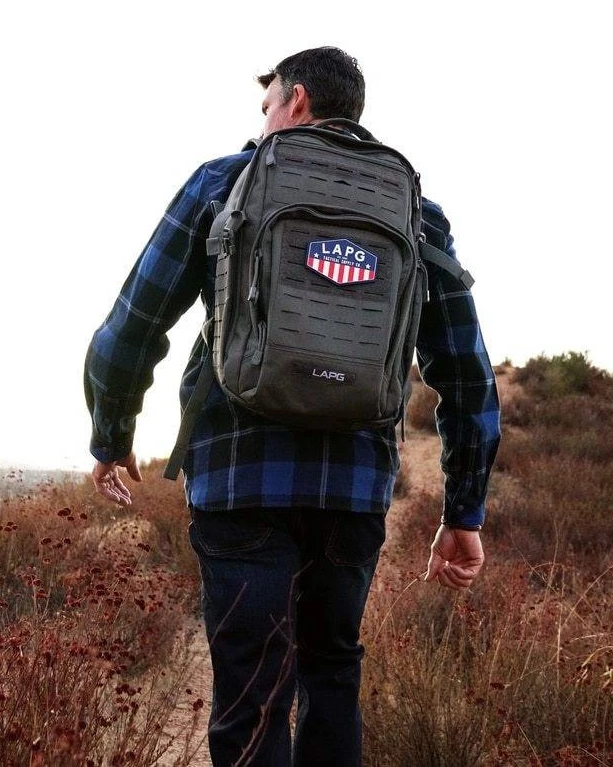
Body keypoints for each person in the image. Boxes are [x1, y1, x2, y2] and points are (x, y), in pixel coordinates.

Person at [84, 46, 500, 767]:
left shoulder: (223, 183)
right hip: (353, 490)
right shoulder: (415, 210)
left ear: (297, 100)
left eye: (267, 104)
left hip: (239, 479)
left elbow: (131, 328)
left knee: (252, 691)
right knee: (332, 670)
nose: (264, 120)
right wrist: (463, 514)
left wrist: (111, 436)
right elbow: (465, 373)